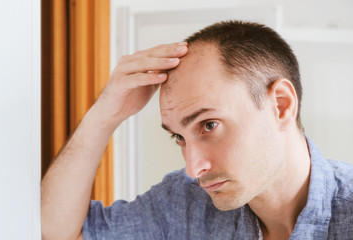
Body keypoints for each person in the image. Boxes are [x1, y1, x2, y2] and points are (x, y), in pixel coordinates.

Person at [41, 21, 353, 240]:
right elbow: (55, 232)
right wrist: (104, 115)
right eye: (179, 137)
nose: (193, 169)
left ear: (281, 105)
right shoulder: (186, 202)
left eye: (209, 125)